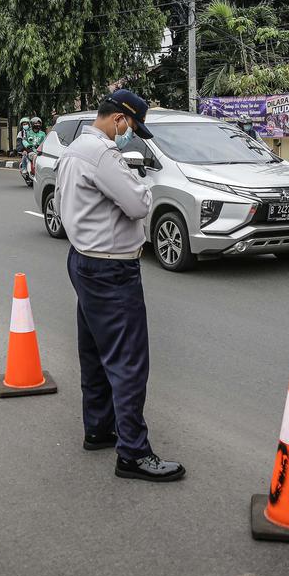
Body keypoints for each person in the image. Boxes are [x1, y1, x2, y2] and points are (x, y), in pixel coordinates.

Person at [55, 89, 185, 483]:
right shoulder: (103, 154)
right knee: (128, 361)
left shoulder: (73, 150)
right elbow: (138, 204)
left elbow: (61, 204)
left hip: (83, 260)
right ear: (119, 119)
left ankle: (98, 429)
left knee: (95, 352)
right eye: (131, 127)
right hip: (111, 270)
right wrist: (143, 185)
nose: (129, 134)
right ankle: (133, 453)